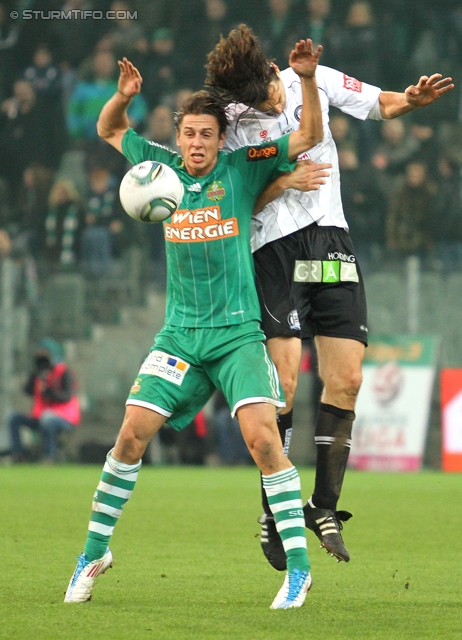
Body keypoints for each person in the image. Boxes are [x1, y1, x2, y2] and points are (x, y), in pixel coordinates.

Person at [64, 39, 331, 609]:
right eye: (189, 133)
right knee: (130, 436)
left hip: (237, 334)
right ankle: (92, 554)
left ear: (219, 139)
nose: (196, 143)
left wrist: (306, 80)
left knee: (263, 440)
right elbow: (110, 130)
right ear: (179, 134)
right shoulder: (156, 168)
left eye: (207, 134)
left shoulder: (241, 168)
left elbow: (307, 138)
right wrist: (122, 96)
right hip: (180, 336)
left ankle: (299, 570)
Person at [205, 23, 454, 569]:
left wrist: (410, 100)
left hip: (331, 239)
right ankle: (275, 508)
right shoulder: (230, 122)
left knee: (348, 378)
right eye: (255, 104)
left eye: (268, 93)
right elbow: (228, 195)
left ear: (273, 70)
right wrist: (280, 184)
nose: (267, 105)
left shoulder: (305, 79)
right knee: (286, 382)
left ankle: (323, 505)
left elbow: (377, 104)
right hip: (273, 249)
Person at [8, 338, 80, 463]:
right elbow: (28, 391)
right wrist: (35, 374)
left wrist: (49, 392)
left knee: (48, 419)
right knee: (14, 417)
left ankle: (49, 456)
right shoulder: (39, 373)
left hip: (63, 417)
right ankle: (18, 454)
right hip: (40, 416)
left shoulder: (64, 372)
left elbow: (67, 396)